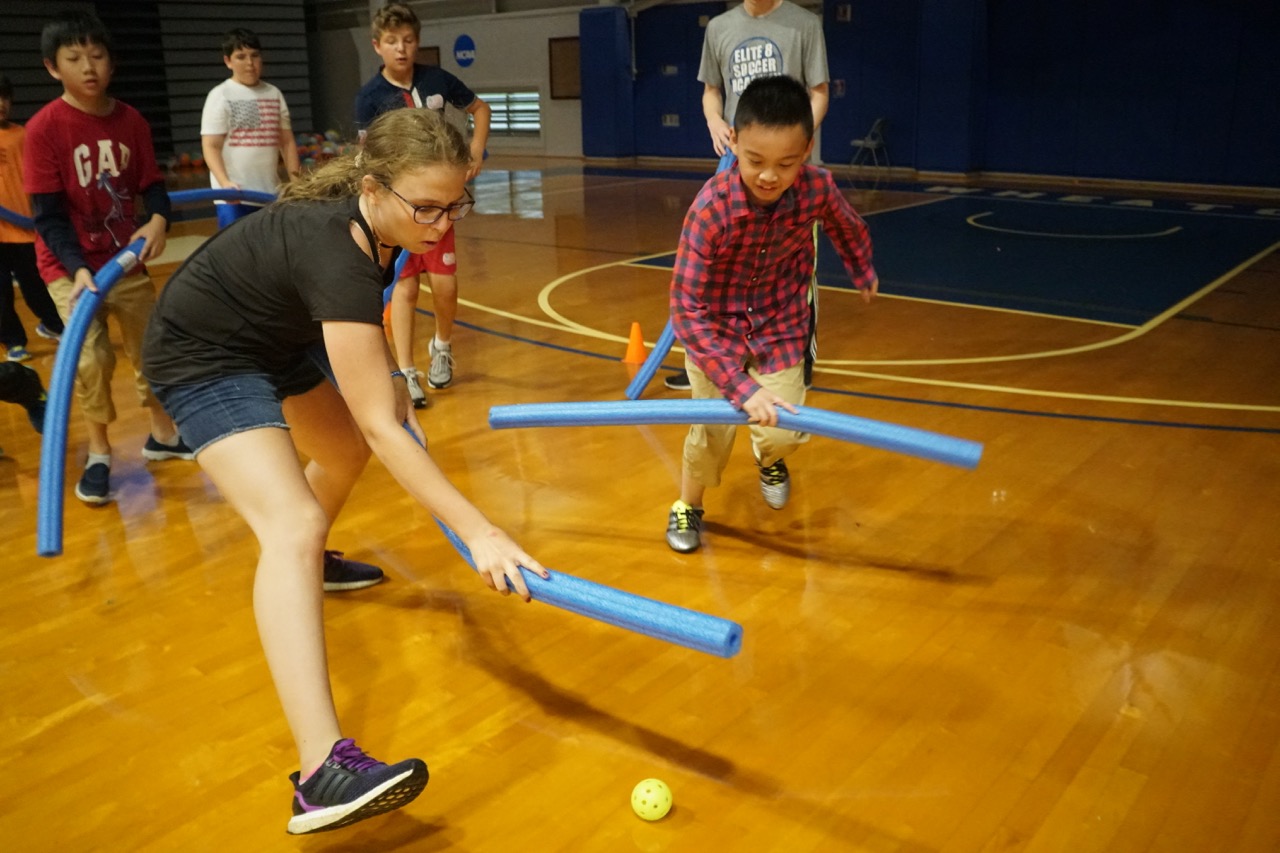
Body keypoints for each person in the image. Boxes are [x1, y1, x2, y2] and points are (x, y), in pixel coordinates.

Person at [141, 107, 548, 835]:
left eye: (455, 204)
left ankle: (306, 563)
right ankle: (321, 770)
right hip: (203, 355)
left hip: (270, 338)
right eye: (426, 207)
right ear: (373, 186)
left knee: (341, 457)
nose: (442, 224)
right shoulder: (336, 243)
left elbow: (365, 351)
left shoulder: (385, 226)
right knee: (290, 520)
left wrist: (393, 372)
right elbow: (383, 428)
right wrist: (480, 530)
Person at [664, 76, 877, 553]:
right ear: (734, 142)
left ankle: (769, 458)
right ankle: (688, 505)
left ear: (807, 149)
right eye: (755, 161)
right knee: (712, 431)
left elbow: (848, 224)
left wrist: (861, 268)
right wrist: (741, 388)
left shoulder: (817, 187)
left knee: (782, 430)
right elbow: (685, 310)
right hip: (714, 338)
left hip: (780, 328)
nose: (768, 176)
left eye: (786, 164)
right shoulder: (711, 209)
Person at [23, 11, 194, 506]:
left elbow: (153, 190)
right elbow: (48, 217)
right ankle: (99, 452)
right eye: (74, 58)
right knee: (93, 356)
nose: (88, 67)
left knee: (152, 349)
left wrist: (158, 221)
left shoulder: (131, 121)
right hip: (69, 267)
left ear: (111, 63)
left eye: (96, 56)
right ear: (53, 68)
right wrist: (79, 270)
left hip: (126, 259)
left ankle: (163, 435)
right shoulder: (43, 130)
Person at [667, 0, 829, 391]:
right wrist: (714, 120)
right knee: (724, 268)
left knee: (792, 267)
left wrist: (791, 143)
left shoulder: (804, 24)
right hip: (742, 166)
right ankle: (711, 361)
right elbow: (711, 91)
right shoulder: (720, 27)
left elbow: (819, 92)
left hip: (787, 173)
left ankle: (794, 360)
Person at [355, 3, 491, 407]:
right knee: (404, 288)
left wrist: (477, 147)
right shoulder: (370, 97)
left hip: (435, 207)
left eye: (409, 41)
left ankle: (442, 347)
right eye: (392, 42)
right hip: (399, 211)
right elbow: (365, 153)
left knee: (445, 285)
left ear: (418, 42)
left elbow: (478, 108)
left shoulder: (436, 79)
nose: (402, 49)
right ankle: (405, 369)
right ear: (377, 45)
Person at [200, 28, 301, 229]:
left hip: (269, 194)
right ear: (228, 61)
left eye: (254, 56)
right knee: (235, 255)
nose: (249, 63)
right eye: (241, 57)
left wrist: (297, 182)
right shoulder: (219, 95)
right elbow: (210, 146)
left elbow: (287, 142)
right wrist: (225, 183)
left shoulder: (274, 93)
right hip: (234, 197)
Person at [0, 73, 65, 363]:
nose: (1, 103)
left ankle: (53, 324)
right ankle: (13, 341)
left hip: (26, 232)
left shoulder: (23, 135)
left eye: (4, 96)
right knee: (1, 297)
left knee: (37, 285)